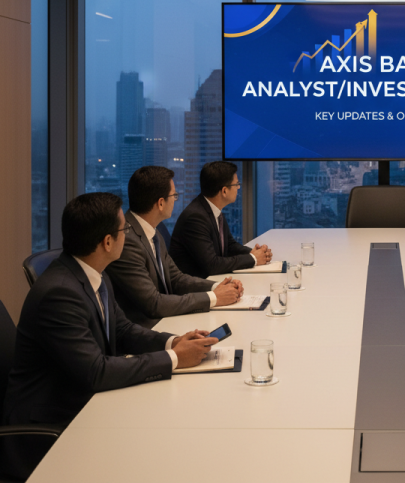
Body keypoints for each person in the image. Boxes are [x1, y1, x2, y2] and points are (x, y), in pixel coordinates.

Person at [3, 193, 216, 429]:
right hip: (51, 421)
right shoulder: (59, 294)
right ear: (107, 242)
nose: (127, 236)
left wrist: (172, 343)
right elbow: (96, 372)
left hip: (85, 399)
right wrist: (175, 358)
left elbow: (122, 329)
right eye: (124, 230)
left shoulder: (96, 271)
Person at [106, 166, 244, 328]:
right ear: (161, 203)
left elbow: (176, 278)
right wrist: (213, 297)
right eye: (174, 196)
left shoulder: (153, 231)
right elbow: (154, 303)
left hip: (167, 319)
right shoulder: (127, 241)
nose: (175, 200)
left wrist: (217, 287)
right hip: (148, 330)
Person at [169, 161, 272, 278]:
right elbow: (212, 265)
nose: (238, 188)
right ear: (224, 191)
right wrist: (253, 258)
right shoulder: (195, 218)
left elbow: (229, 246)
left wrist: (253, 252)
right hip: (195, 288)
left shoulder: (213, 209)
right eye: (236, 184)